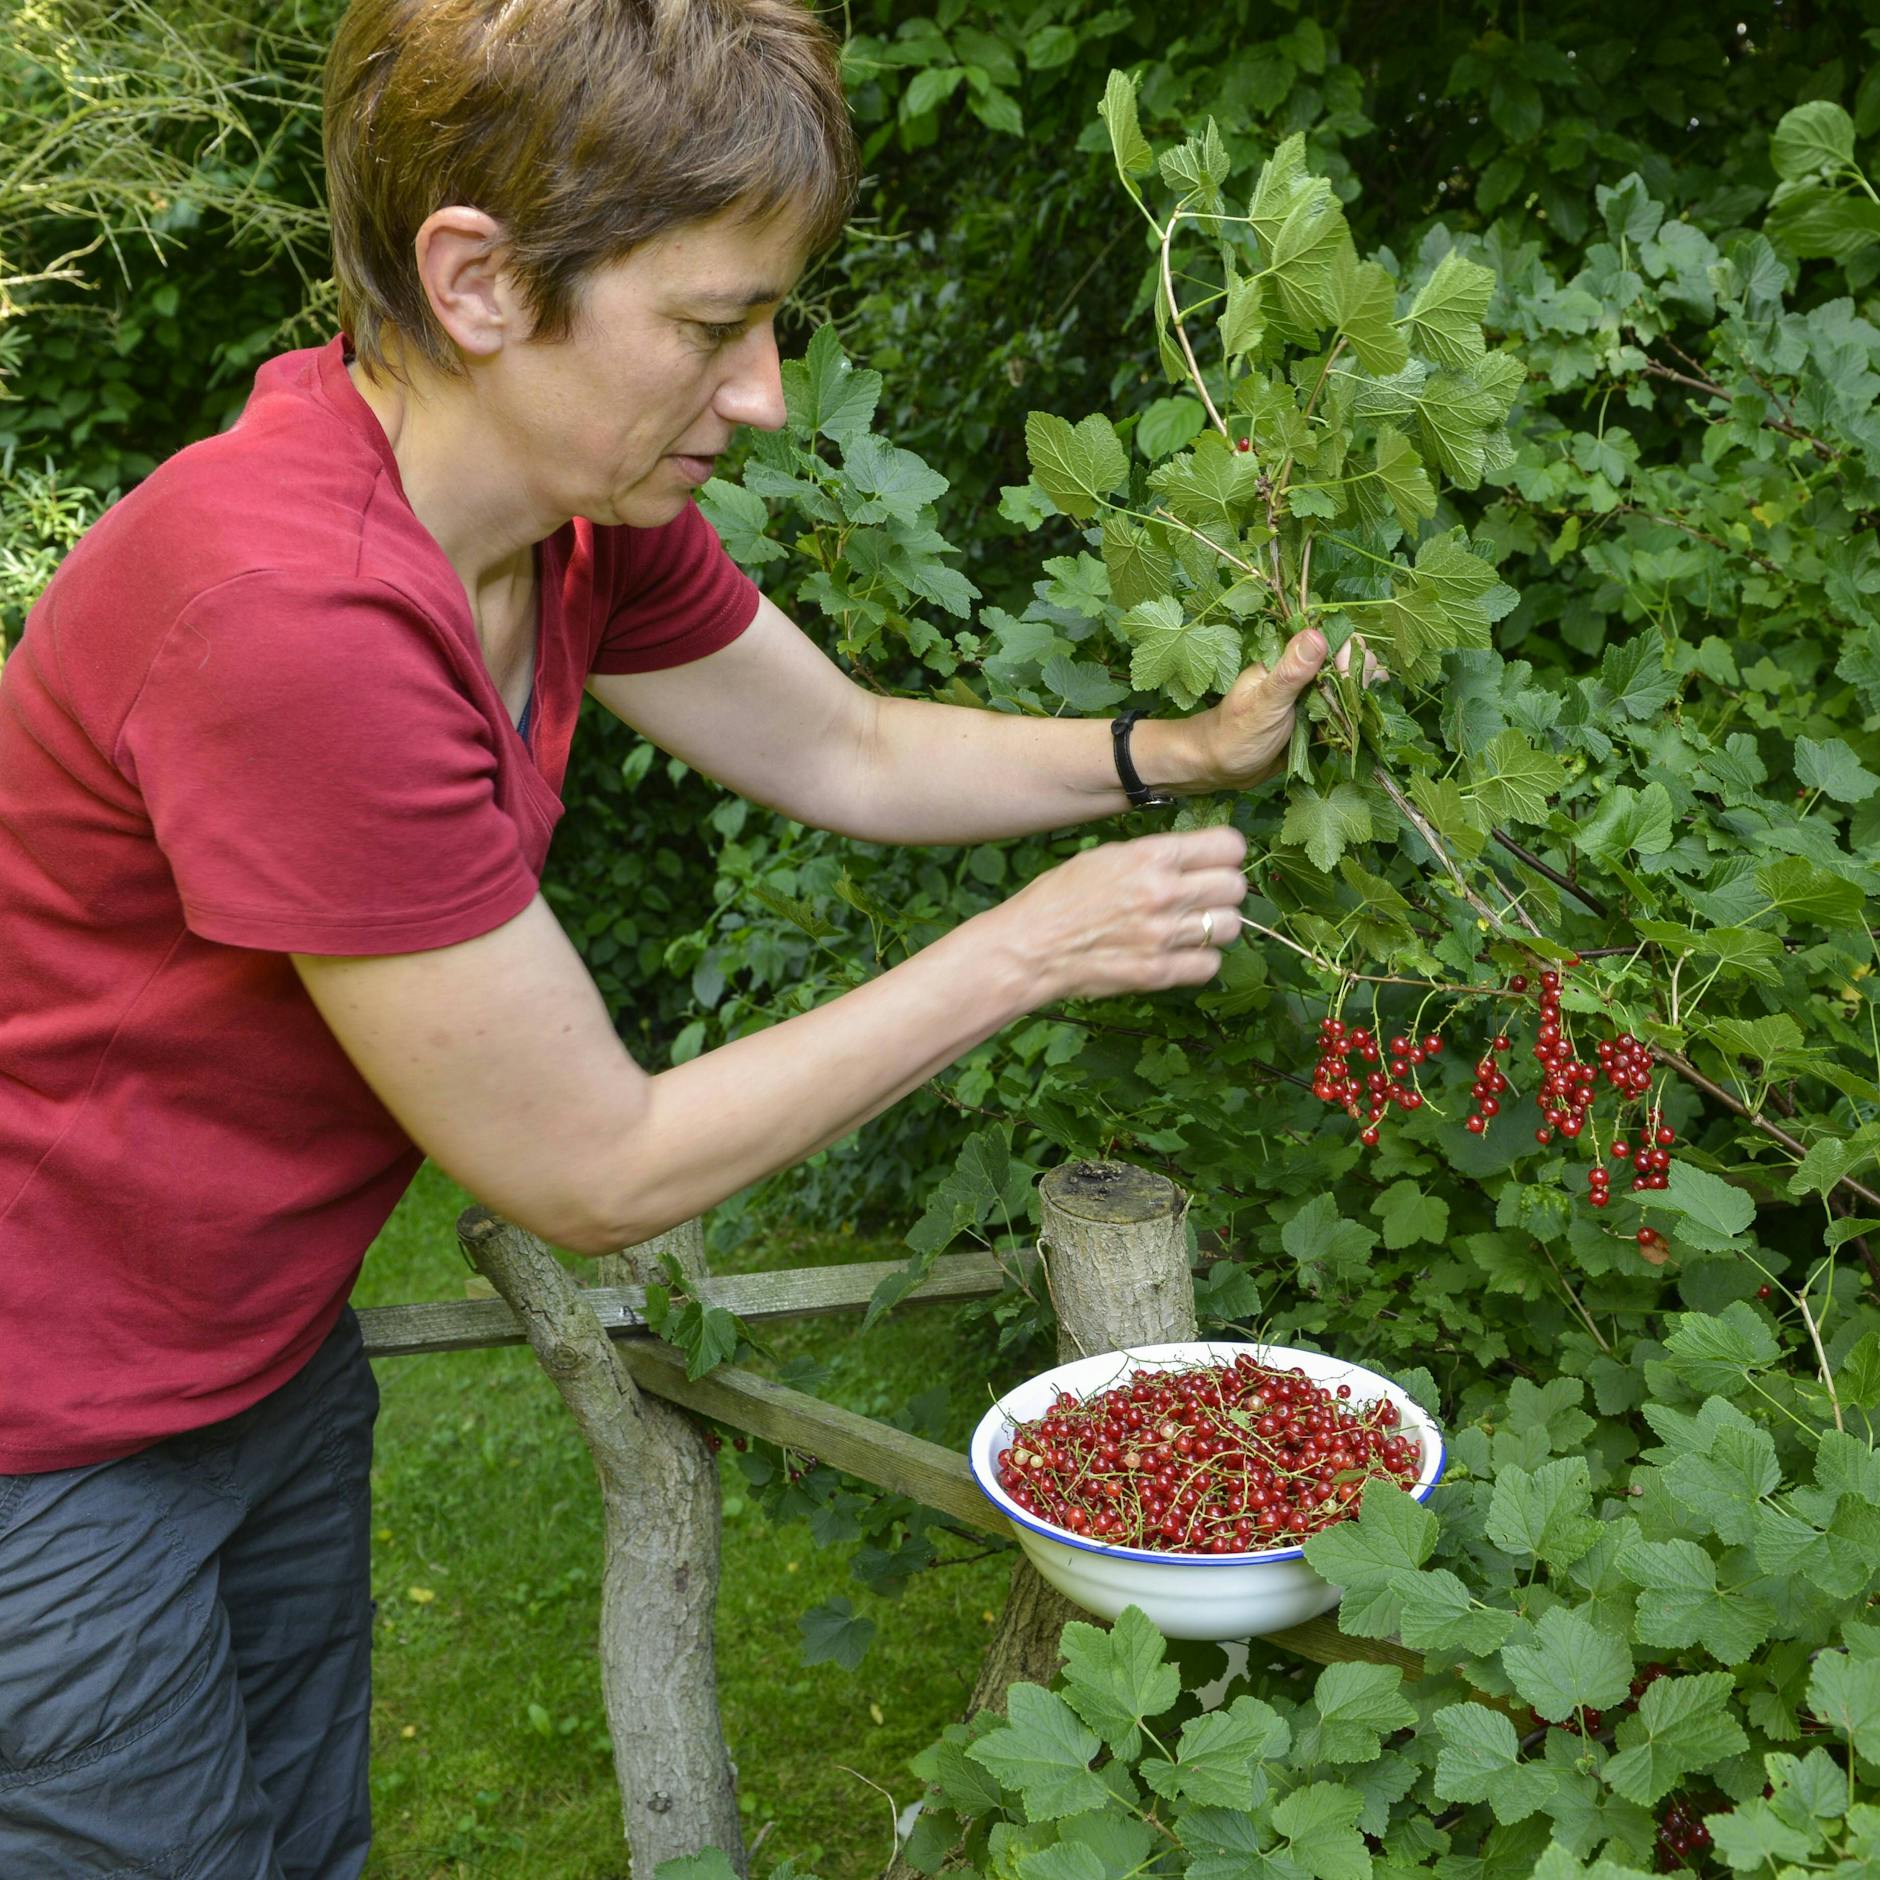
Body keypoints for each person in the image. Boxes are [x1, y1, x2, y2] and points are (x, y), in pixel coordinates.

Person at [0, 0, 1329, 1870]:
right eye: (710, 327)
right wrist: (1031, 950)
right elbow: (593, 1166)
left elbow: (849, 746)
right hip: (42, 1424)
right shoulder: (288, 619)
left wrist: (1168, 754)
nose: (766, 389)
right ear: (475, 280)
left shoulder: (568, 515)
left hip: (254, 1350)